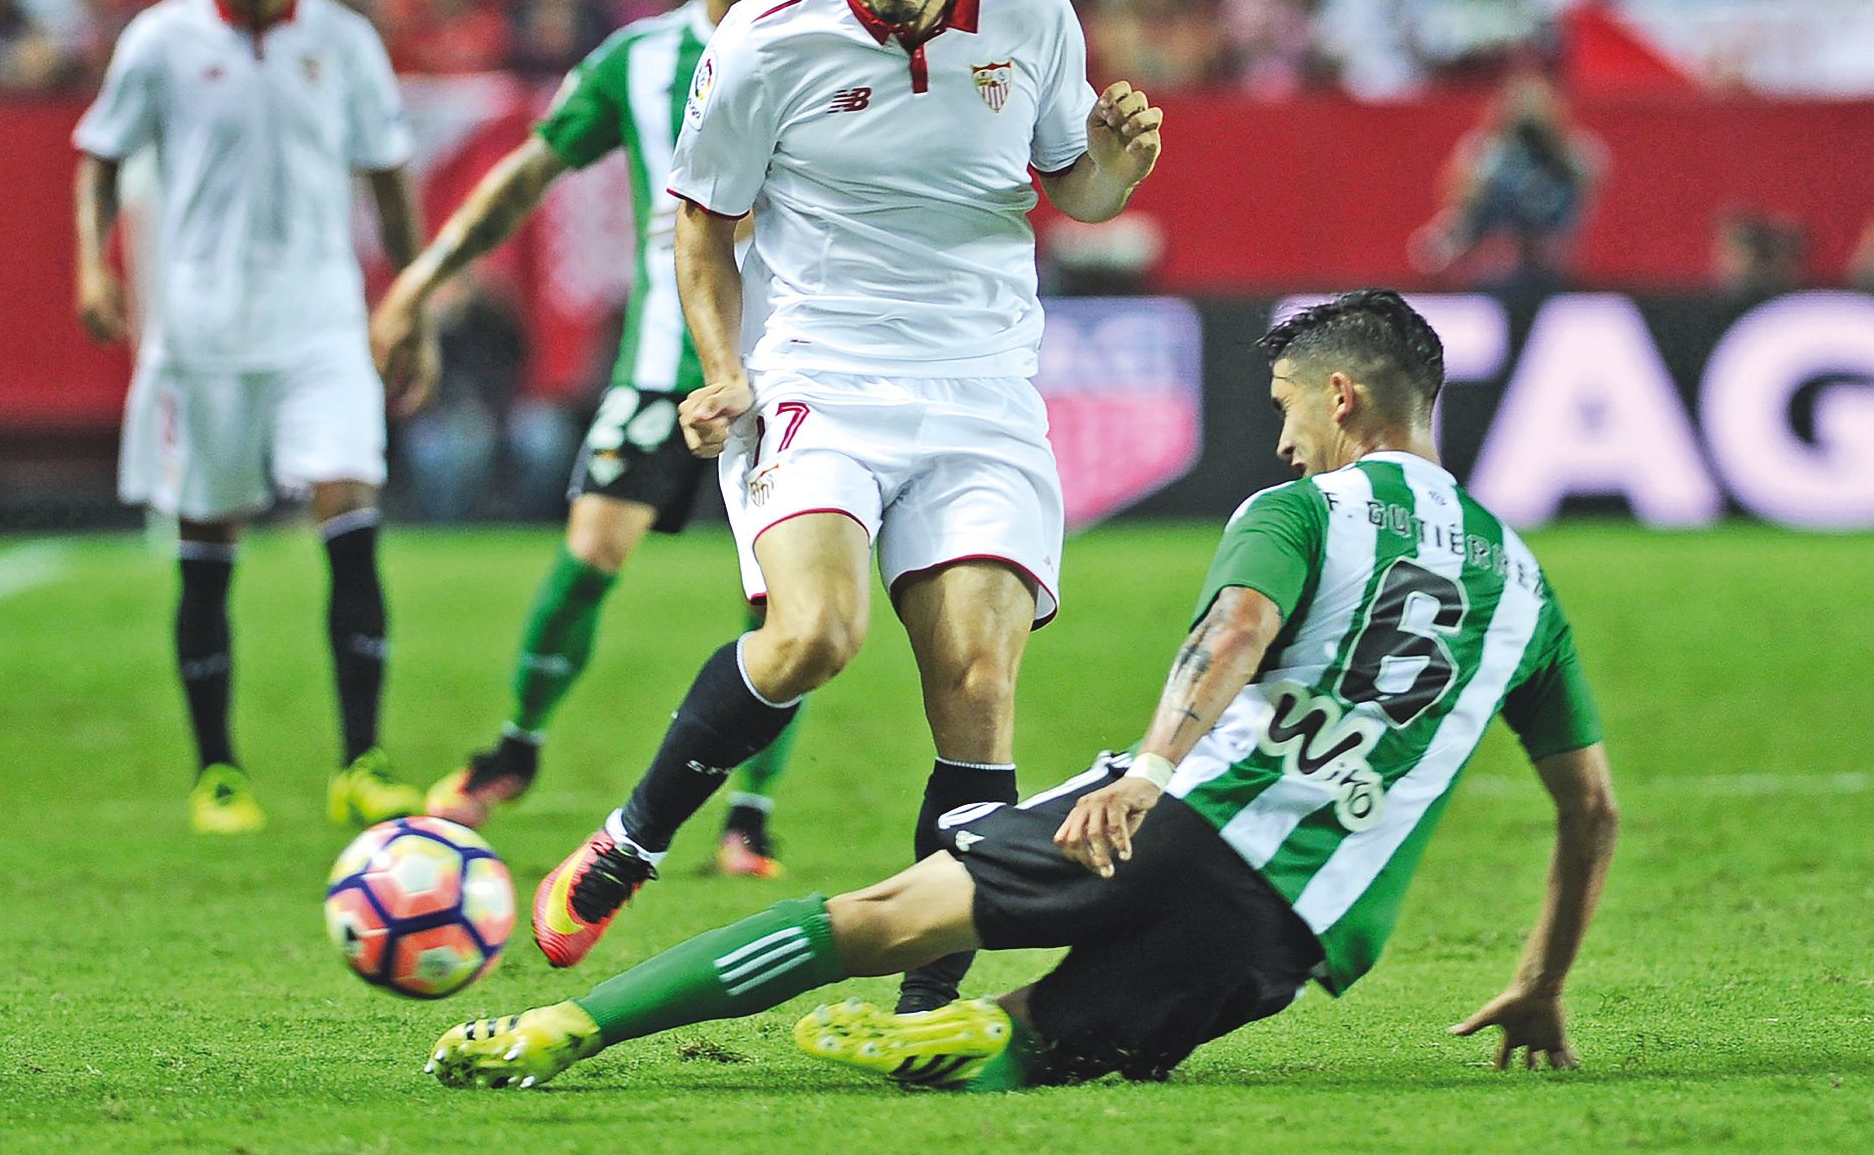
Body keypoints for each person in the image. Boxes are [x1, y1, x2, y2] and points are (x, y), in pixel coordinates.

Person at [424, 290, 1619, 1092]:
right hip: (1289, 934)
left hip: (1175, 820)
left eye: (1287, 410)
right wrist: (1540, 981)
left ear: (1341, 399)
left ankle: (557, 1030)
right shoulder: (1526, 586)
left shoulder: (1301, 510)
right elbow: (1592, 812)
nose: (1282, 440)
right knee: (1052, 1040)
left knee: (872, 917)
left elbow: (1239, 629)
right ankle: (989, 1030)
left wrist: (1149, 770)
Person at [523, 0, 1164, 1023]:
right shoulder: (767, 39)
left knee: (975, 680)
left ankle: (930, 1002)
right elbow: (703, 226)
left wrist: (1110, 174)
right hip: (819, 371)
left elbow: (1068, 185)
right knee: (815, 632)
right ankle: (631, 839)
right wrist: (724, 369)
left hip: (979, 387)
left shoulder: (1031, 12)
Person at [369, 0, 802, 877]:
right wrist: (420, 279)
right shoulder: (635, 60)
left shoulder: (822, 45)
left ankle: (750, 814)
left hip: (790, 365)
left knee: (785, 602)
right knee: (589, 549)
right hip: (662, 362)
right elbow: (523, 179)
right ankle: (510, 753)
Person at [73, 0, 436, 835]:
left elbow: (389, 179)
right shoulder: (160, 42)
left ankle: (360, 760)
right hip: (201, 328)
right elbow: (99, 157)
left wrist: (413, 300)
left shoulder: (345, 43)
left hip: (322, 319)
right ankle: (218, 772)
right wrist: (93, 268)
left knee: (347, 497)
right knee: (208, 537)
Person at [1410, 70, 1604, 293]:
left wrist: (1555, 159)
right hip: (1493, 268)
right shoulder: (1487, 153)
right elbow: (1462, 207)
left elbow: (1587, 184)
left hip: (1549, 269)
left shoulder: (1571, 155)